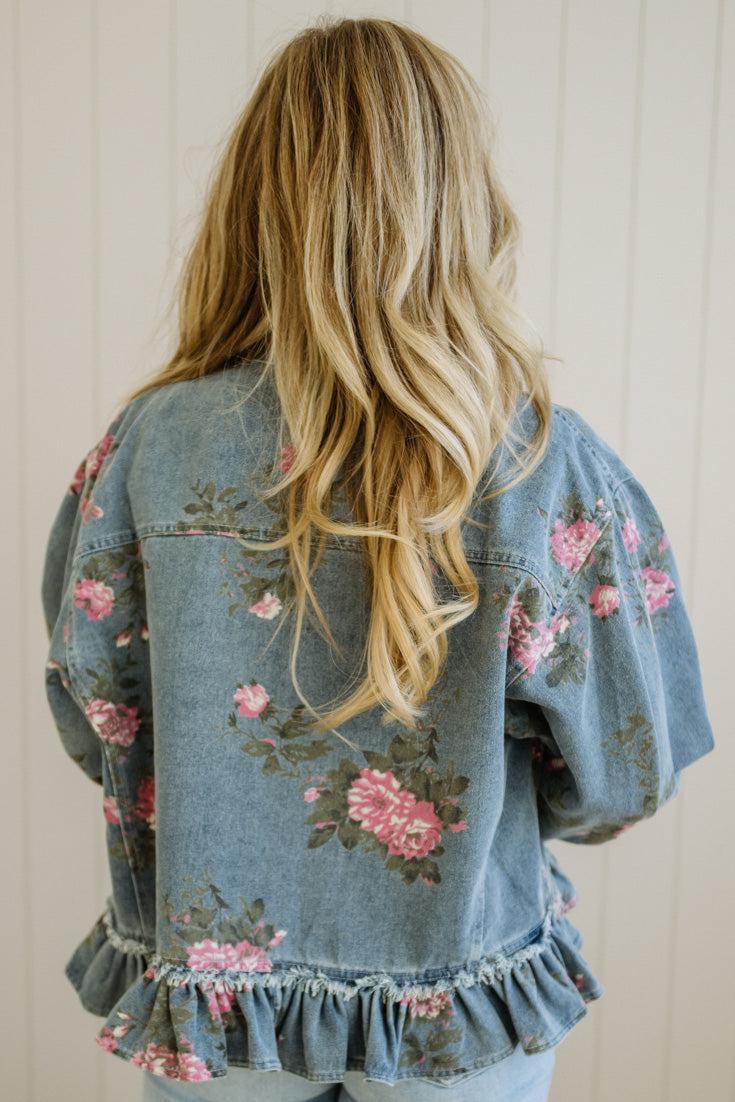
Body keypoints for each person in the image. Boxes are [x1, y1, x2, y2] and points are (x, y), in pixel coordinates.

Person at [41, 16, 714, 1102]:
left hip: (223, 1013)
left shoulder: (145, 450)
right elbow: (626, 764)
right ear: (459, 203)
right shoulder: (542, 461)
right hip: (462, 1000)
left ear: (252, 206)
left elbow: (96, 712)